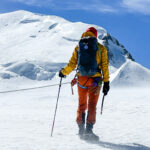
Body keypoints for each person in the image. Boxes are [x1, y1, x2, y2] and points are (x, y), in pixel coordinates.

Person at [59, 27, 110, 138]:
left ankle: (81, 130)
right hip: (95, 81)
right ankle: (89, 131)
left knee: (82, 105)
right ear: (95, 36)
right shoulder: (101, 48)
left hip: (81, 79)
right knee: (92, 105)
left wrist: (63, 72)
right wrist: (106, 82)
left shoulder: (79, 47)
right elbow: (105, 67)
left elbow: (72, 64)